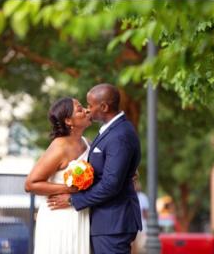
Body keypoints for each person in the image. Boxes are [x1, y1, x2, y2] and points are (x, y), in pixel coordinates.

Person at [48, 84, 143, 254]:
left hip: (114, 222)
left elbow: (110, 185)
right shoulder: (111, 130)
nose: (88, 110)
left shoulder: (119, 135)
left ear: (104, 107)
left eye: (90, 105)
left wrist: (72, 200)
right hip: (107, 221)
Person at [25, 97, 92, 254]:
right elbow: (30, 184)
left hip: (80, 212)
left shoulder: (87, 142)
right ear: (69, 120)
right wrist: (70, 189)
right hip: (59, 215)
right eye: (80, 109)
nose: (87, 110)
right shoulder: (59, 147)